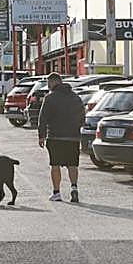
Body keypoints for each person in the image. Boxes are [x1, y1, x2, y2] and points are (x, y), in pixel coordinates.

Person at [36, 72, 85, 202]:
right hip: (73, 137)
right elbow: (82, 116)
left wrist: (41, 136)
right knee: (73, 164)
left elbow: (43, 118)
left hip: (55, 137)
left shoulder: (50, 98)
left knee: (55, 165)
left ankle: (56, 193)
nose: (48, 86)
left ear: (53, 82)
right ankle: (74, 188)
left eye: (48, 83)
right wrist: (77, 128)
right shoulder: (75, 97)